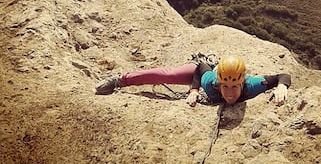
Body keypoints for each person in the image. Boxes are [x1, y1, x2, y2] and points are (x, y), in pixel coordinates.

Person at [95, 55, 291, 107]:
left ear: (242, 83)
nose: (230, 93)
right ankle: (119, 81)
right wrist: (194, 91)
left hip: (217, 73)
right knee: (167, 75)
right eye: (226, 87)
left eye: (234, 87)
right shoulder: (211, 81)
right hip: (200, 71)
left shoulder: (252, 86)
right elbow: (200, 68)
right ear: (219, 84)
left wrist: (282, 86)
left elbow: (283, 76)